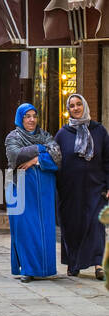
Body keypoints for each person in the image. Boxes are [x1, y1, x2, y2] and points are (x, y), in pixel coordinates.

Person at [55, 93, 109, 280]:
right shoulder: (63, 134)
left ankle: (98, 265)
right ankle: (73, 263)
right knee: (72, 226)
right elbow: (55, 161)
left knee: (96, 225)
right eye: (72, 105)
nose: (76, 108)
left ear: (85, 106)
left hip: (96, 187)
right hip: (70, 190)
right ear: (68, 109)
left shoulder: (99, 131)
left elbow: (107, 160)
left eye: (79, 104)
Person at [5, 103, 61, 282]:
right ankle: (27, 269)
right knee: (25, 229)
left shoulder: (45, 135)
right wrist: (41, 149)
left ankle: (44, 268)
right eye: (27, 116)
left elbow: (58, 158)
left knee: (44, 229)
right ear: (20, 119)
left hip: (44, 191)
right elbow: (15, 156)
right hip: (21, 190)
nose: (31, 120)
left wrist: (35, 160)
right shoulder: (12, 137)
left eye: (34, 116)